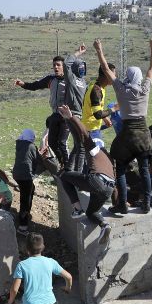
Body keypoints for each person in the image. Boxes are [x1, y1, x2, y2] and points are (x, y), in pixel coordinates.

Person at [94, 38, 152, 214]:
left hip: (127, 133)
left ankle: (122, 203)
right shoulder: (145, 89)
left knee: (121, 167)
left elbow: (106, 70)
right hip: (143, 134)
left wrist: (99, 49)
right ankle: (146, 203)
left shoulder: (121, 89)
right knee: (144, 169)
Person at [15, 45, 88, 172]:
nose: (55, 67)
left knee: (62, 142)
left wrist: (78, 53)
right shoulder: (51, 80)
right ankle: (61, 163)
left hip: (67, 116)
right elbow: (35, 85)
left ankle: (67, 167)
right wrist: (23, 84)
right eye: (54, 65)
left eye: (58, 65)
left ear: (63, 67)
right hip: (55, 114)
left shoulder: (70, 79)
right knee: (52, 143)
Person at [56, 105, 116, 246]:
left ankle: (77, 209)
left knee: (64, 176)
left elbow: (83, 134)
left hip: (97, 181)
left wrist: (71, 118)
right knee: (91, 213)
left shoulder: (95, 150)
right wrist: (117, 203)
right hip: (108, 189)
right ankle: (104, 225)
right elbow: (115, 185)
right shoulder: (110, 162)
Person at [13, 129, 53, 236]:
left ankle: (23, 217)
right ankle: (22, 227)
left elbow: (28, 156)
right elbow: (38, 160)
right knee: (25, 201)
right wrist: (42, 154)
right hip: (25, 176)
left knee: (30, 190)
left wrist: (38, 152)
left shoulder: (20, 144)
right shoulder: (31, 146)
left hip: (17, 175)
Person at [81, 63, 117, 141]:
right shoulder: (96, 90)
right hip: (91, 130)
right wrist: (115, 108)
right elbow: (98, 114)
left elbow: (94, 107)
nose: (115, 77)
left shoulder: (97, 85)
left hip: (90, 128)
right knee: (99, 152)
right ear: (106, 74)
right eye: (113, 75)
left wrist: (104, 118)